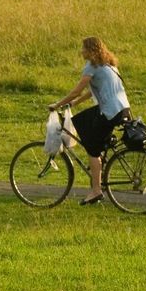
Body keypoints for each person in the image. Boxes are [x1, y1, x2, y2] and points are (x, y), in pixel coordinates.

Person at [49, 36, 131, 205]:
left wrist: (57, 104)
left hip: (110, 111)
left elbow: (76, 91)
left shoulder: (91, 66)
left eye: (83, 48)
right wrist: (74, 104)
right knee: (81, 120)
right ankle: (100, 161)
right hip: (122, 109)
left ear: (91, 50)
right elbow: (92, 91)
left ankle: (96, 190)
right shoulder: (109, 64)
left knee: (91, 147)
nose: (81, 52)